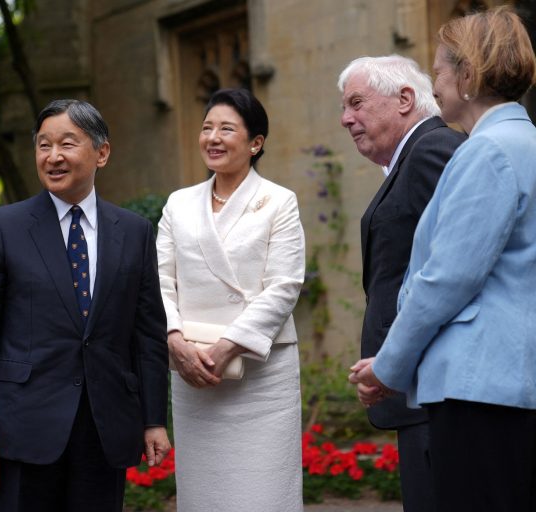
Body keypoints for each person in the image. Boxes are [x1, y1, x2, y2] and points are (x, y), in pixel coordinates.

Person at [349, 6, 536, 511]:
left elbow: (446, 279)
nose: (435, 85)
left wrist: (389, 366)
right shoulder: (524, 143)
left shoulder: (488, 151)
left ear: (469, 76)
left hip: (479, 388)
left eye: (438, 72)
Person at [0, 99, 171, 512]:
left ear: (101, 152)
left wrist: (153, 418)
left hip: (104, 429)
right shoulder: (4, 228)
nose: (53, 156)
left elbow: (147, 336)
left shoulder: (134, 232)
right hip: (23, 428)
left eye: (67, 144)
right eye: (43, 145)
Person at [157, 88, 306, 511]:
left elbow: (284, 286)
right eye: (207, 128)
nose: (213, 138)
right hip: (191, 368)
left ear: (256, 143)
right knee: (205, 494)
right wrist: (175, 341)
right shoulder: (178, 204)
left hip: (261, 372)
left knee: (263, 492)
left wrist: (227, 347)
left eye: (226, 128)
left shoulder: (279, 201)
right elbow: (160, 283)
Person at [338, 55, 465, 511]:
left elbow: (453, 272)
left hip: (435, 393)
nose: (345, 118)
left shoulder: (433, 150)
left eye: (356, 103)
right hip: (418, 392)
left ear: (405, 99)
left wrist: (393, 362)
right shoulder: (410, 159)